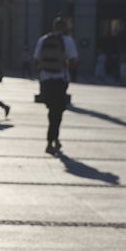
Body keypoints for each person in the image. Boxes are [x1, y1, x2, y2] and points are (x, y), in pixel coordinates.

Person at [33, 17, 78, 154]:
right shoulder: (67, 40)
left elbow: (36, 60)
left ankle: (53, 139)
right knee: (57, 112)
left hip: (46, 79)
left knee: (52, 110)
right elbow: (73, 60)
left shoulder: (43, 39)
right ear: (64, 27)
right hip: (60, 79)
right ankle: (51, 140)